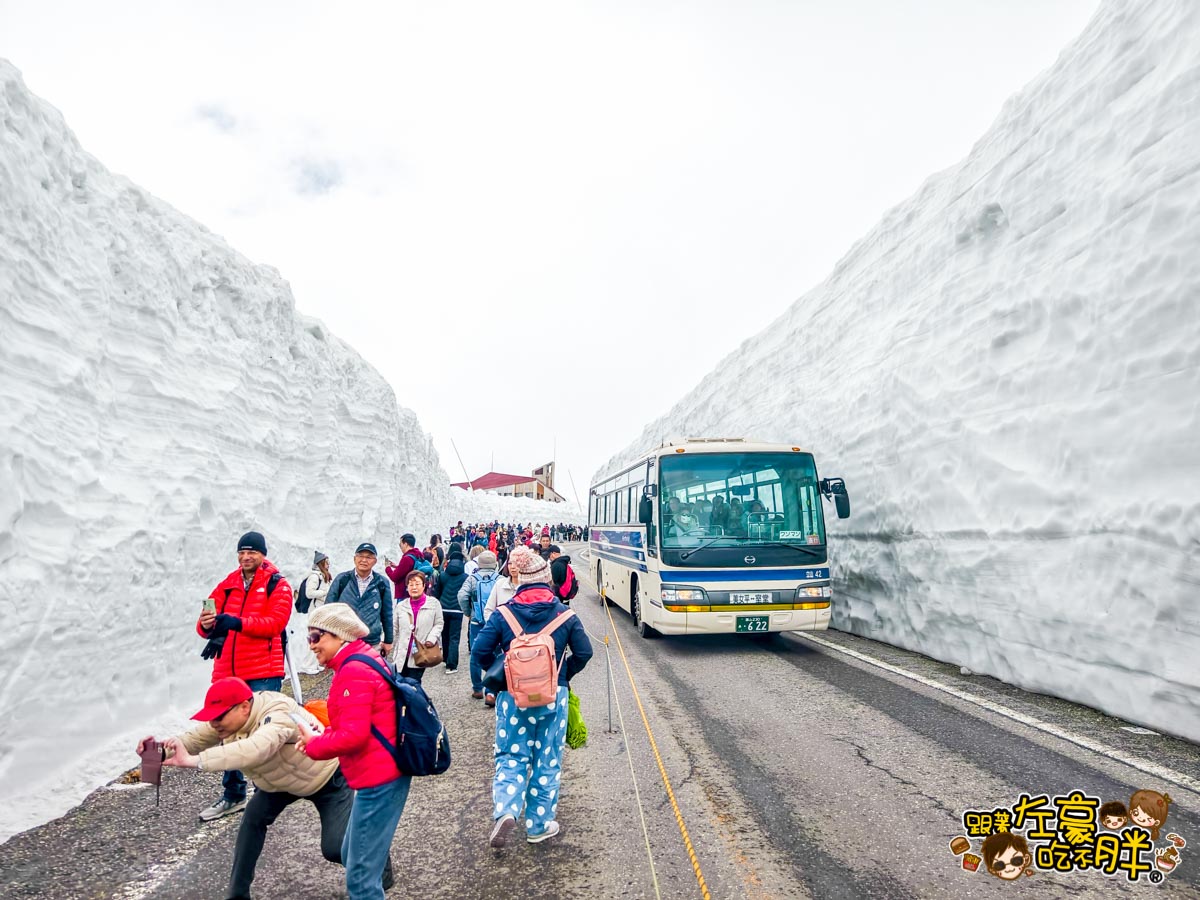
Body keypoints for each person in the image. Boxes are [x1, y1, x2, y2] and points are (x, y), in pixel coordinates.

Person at [140, 676, 369, 899]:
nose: (213, 723)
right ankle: (237, 895)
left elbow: (258, 748)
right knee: (252, 820)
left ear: (244, 707)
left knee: (335, 847)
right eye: (210, 718)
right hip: (278, 784)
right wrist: (157, 751)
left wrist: (194, 761)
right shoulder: (226, 721)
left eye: (218, 717)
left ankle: (377, 867)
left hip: (326, 777)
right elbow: (192, 739)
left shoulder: (278, 711)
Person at [471, 548, 593, 848]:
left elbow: (479, 652)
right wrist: (562, 675)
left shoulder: (504, 614)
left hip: (513, 697)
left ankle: (506, 810)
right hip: (554, 697)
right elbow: (585, 652)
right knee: (547, 759)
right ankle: (539, 824)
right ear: (547, 581)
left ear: (521, 581)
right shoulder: (565, 614)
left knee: (511, 756)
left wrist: (502, 672)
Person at [298, 605, 405, 900]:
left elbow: (354, 736)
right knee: (349, 853)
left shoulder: (353, 671)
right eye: (309, 637)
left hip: (378, 779)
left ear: (339, 635)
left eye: (317, 636)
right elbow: (360, 725)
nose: (312, 644)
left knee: (359, 879)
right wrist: (322, 735)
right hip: (383, 771)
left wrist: (313, 745)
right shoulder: (363, 659)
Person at [197, 531, 293, 821]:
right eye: (242, 552)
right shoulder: (227, 585)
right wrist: (206, 626)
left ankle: (271, 792)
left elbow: (275, 623)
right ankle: (234, 794)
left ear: (263, 554)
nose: (246, 557)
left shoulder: (278, 584)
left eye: (252, 552)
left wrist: (235, 622)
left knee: (264, 733)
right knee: (229, 733)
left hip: (263, 669)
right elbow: (205, 622)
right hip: (228, 671)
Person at [325, 543, 393, 658]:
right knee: (345, 675)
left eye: (368, 557)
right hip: (344, 641)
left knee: (371, 675)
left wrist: (388, 640)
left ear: (375, 561)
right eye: (360, 556)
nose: (364, 560)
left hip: (372, 644)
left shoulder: (382, 582)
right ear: (354, 559)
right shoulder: (342, 579)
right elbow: (328, 609)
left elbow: (387, 614)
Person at [458, 550, 501, 700]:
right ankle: (491, 692)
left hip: (477, 622)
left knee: (476, 654)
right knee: (495, 655)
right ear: (495, 563)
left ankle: (477, 688)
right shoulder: (500, 579)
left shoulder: (472, 579)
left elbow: (462, 595)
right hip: (495, 623)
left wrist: (468, 612)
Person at [392, 570, 443, 681]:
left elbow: (439, 624)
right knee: (398, 683)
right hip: (402, 652)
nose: (414, 587)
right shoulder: (401, 606)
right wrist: (385, 642)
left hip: (421, 652)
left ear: (424, 585)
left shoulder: (433, 604)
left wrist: (431, 639)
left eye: (417, 584)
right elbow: (394, 628)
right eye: (410, 584)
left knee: (413, 684)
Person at [293, 551, 333, 675]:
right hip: (314, 611)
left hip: (320, 611)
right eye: (326, 562)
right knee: (314, 638)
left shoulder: (322, 575)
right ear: (321, 563)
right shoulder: (314, 576)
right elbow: (309, 593)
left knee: (319, 639)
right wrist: (324, 593)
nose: (328, 564)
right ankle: (307, 665)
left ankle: (315, 663)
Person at [435, 542, 469, 674]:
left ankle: (445, 658)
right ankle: (452, 664)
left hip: (443, 609)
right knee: (454, 637)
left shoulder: (443, 575)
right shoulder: (465, 577)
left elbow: (437, 592)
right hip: (457, 610)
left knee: (445, 634)